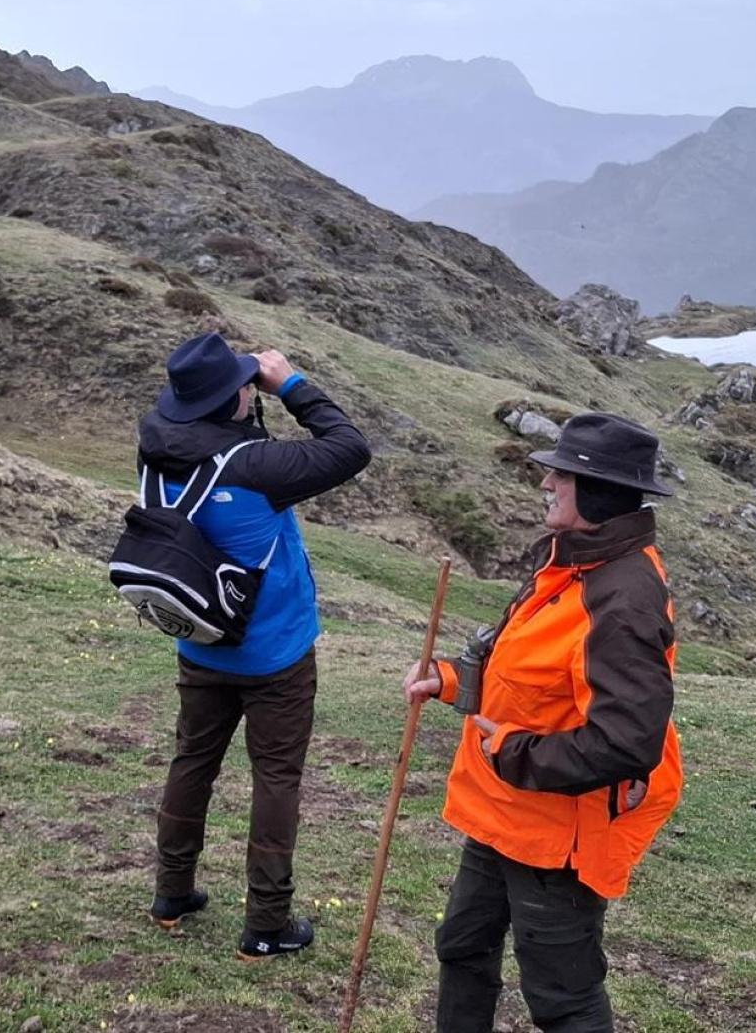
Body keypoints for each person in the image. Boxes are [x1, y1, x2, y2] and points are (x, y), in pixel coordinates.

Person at [403, 413, 684, 1032]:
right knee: (462, 946)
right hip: (504, 811)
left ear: (595, 489)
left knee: (562, 994)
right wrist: (451, 681)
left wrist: (512, 753)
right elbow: (533, 675)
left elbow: (627, 743)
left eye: (560, 473)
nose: (546, 483)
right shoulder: (571, 564)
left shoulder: (624, 597)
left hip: (558, 834)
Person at [139, 332, 371, 955]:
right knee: (276, 778)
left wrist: (239, 403)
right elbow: (349, 448)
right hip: (275, 653)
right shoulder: (255, 468)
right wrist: (290, 384)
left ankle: (172, 892)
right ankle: (266, 924)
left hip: (200, 641)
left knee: (193, 761)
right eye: (243, 385)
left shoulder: (154, 446)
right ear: (234, 399)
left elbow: (212, 439)